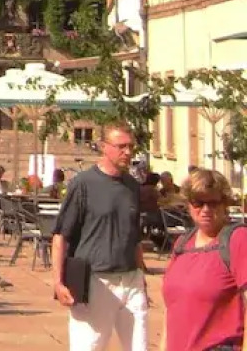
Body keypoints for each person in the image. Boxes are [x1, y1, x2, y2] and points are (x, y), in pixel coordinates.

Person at [50, 121, 147, 351]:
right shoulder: (83, 184)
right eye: (121, 146)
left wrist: (141, 274)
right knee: (89, 346)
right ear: (104, 146)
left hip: (131, 280)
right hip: (95, 281)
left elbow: (134, 236)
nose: (128, 152)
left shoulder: (132, 186)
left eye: (130, 146)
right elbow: (61, 236)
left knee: (139, 347)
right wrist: (58, 282)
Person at [162, 168, 247, 351]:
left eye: (213, 203)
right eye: (198, 203)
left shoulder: (238, 239)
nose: (206, 210)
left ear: (225, 204)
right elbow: (170, 311)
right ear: (189, 204)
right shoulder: (182, 244)